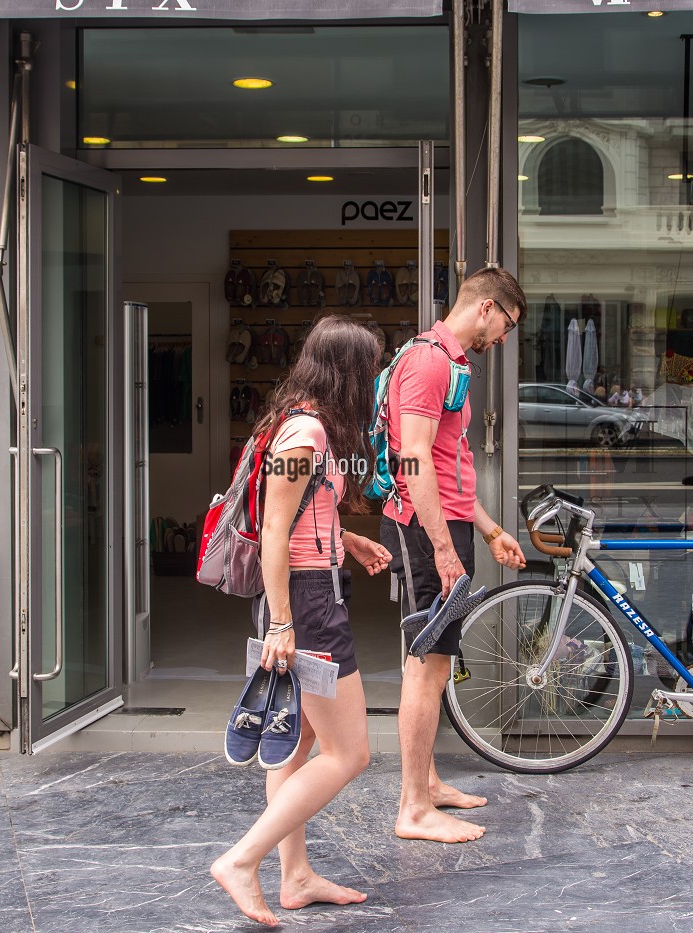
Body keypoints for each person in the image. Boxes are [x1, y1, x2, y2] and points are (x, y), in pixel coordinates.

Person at [211, 316, 394, 927]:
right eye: (371, 370)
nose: (376, 382)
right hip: (307, 604)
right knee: (351, 752)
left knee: (300, 744)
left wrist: (349, 541)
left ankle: (295, 876)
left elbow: (301, 513)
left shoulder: (300, 422)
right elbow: (273, 530)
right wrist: (283, 623)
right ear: (349, 372)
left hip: (311, 593)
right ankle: (242, 861)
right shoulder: (306, 433)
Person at [379, 267, 529, 845]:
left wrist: (489, 531)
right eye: (508, 324)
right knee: (428, 665)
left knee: (436, 663)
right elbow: (414, 460)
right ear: (487, 307)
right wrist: (443, 548)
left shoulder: (450, 361)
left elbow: (450, 464)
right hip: (425, 531)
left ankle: (428, 783)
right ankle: (413, 808)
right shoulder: (429, 362)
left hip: (445, 526)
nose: (505, 338)